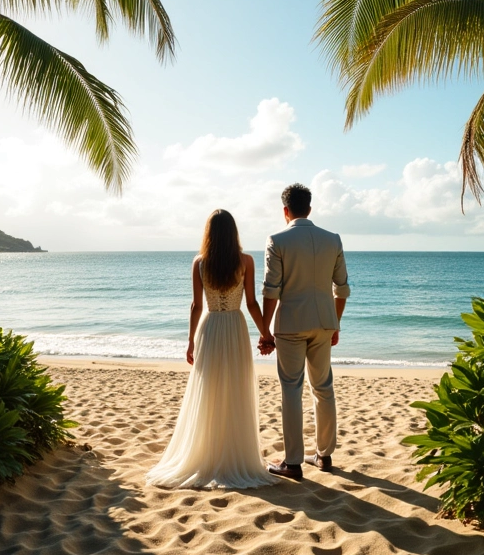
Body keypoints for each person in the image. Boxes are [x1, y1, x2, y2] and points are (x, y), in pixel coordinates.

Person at [147, 209, 277, 489]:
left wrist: (191, 340)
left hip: (210, 327)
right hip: (235, 327)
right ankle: (233, 454)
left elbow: (196, 306)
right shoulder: (245, 261)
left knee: (209, 390)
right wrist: (267, 333)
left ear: (209, 233)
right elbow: (252, 303)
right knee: (235, 389)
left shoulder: (200, 263)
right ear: (233, 233)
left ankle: (207, 453)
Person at [259, 183, 350, 480]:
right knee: (323, 388)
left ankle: (294, 462)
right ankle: (324, 456)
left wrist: (265, 331)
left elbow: (271, 290)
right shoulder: (332, 239)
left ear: (285, 211)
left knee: (291, 389)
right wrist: (334, 323)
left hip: (291, 325)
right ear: (309, 209)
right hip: (324, 322)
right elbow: (342, 289)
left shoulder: (277, 240)